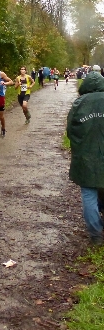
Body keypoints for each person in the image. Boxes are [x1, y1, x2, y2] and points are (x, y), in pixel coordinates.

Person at [66, 70, 104, 245]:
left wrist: (80, 146)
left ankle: (95, 234)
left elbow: (71, 131)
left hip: (86, 157)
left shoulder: (79, 103)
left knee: (89, 193)